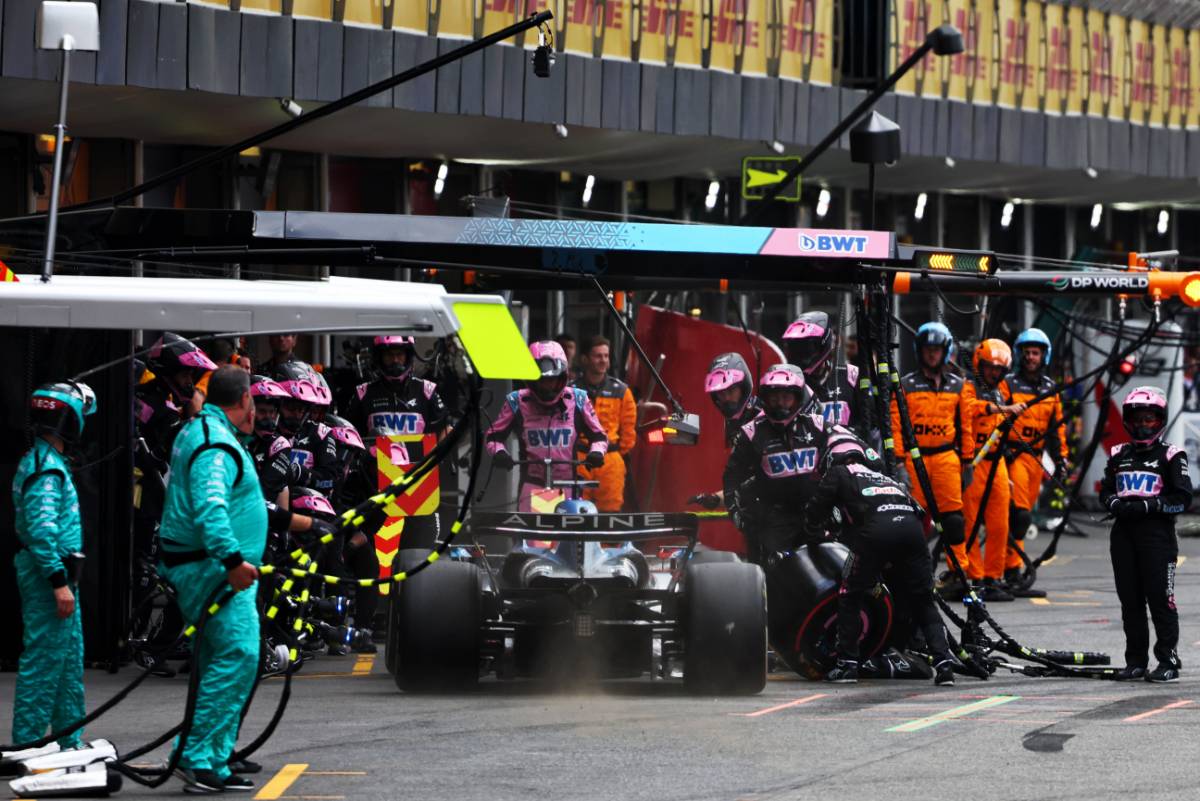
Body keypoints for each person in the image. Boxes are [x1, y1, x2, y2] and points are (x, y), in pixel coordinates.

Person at [157, 367, 267, 793]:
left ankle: (214, 754)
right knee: (238, 654)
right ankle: (199, 758)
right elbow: (210, 508)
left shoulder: (204, 433)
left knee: (220, 659)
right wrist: (234, 561)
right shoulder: (215, 445)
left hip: (212, 565)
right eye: (254, 402)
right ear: (243, 401)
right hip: (213, 569)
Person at [803, 429, 957, 686]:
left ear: (830, 458)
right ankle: (944, 666)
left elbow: (814, 512)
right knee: (923, 600)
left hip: (875, 533)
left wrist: (817, 535)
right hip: (913, 532)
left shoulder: (839, 472)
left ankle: (847, 665)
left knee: (850, 592)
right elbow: (921, 516)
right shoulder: (887, 478)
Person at [11, 381, 95, 749]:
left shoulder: (50, 463)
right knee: (45, 664)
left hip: (59, 578)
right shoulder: (45, 468)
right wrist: (59, 582)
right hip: (50, 579)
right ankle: (25, 747)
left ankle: (69, 743)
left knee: (67, 666)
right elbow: (41, 532)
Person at [1100, 386, 1192, 683]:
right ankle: (1136, 661)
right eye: (1138, 418)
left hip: (1157, 536)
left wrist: (1148, 506)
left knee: (1161, 599)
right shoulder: (1117, 454)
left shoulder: (1172, 455)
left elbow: (1183, 498)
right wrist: (1113, 502)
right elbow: (1106, 490)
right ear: (1128, 420)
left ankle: (1168, 660)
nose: (1143, 424)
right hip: (1123, 535)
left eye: (1150, 419)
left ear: (1160, 420)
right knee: (1130, 601)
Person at [889, 322, 972, 592]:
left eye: (937, 349)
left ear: (945, 351)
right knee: (914, 521)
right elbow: (896, 424)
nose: (932, 354)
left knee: (954, 521)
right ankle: (913, 573)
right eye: (928, 349)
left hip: (947, 458)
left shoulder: (960, 386)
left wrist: (968, 461)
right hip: (915, 461)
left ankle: (958, 573)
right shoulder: (905, 385)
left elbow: (965, 427)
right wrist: (899, 462)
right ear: (919, 351)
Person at [346, 336, 449, 549]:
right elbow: (348, 434)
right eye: (389, 355)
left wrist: (438, 461)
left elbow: (444, 431)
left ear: (408, 356)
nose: (395, 360)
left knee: (418, 553)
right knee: (367, 553)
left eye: (399, 354)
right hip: (373, 487)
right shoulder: (362, 393)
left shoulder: (427, 391)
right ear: (379, 358)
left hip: (418, 486)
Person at [723, 364, 827, 566]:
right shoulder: (751, 432)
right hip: (774, 521)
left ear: (798, 398)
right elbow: (732, 477)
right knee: (777, 577)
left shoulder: (818, 425)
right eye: (774, 398)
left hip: (815, 516)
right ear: (765, 399)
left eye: (786, 397)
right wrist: (735, 510)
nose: (780, 404)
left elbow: (842, 459)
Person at [486, 341, 607, 512]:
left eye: (552, 380)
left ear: (562, 376)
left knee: (568, 537)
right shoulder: (516, 401)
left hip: (568, 485)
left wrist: (596, 452)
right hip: (532, 486)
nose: (548, 386)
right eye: (542, 380)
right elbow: (493, 436)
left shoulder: (578, 399)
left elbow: (599, 436)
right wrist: (499, 453)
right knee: (530, 537)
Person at [959, 339, 1027, 601]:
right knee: (971, 523)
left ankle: (993, 577)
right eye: (990, 368)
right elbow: (969, 409)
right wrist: (1002, 408)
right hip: (971, 461)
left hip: (996, 462)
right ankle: (973, 577)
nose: (994, 373)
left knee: (1000, 522)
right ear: (979, 364)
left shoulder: (999, 391)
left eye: (999, 370)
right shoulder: (968, 386)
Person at [1003, 328, 1067, 589]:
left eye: (1035, 353)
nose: (1031, 357)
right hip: (1013, 456)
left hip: (1036, 460)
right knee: (1019, 517)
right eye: (1027, 352)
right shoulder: (1008, 384)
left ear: (1044, 356)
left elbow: (1057, 430)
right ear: (1019, 355)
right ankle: (1010, 568)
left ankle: (1011, 569)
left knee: (1023, 515)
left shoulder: (1051, 389)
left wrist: (1061, 460)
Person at [575, 336, 637, 512]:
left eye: (606, 356)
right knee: (575, 509)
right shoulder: (571, 390)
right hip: (579, 457)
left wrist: (614, 452)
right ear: (585, 359)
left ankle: (608, 541)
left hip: (610, 459)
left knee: (610, 513)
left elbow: (629, 433)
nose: (603, 360)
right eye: (598, 356)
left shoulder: (622, 391)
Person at [782, 311, 868, 436]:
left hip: (848, 450)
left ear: (824, 343)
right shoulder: (787, 385)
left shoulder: (852, 375)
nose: (801, 354)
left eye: (807, 347)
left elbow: (870, 424)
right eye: (796, 348)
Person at [274, 361, 342, 498]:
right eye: (291, 407)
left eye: (301, 409)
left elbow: (331, 480)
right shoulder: (266, 433)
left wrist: (299, 473)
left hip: (309, 509)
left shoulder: (321, 433)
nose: (296, 414)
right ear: (278, 403)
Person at [705, 352, 762, 448]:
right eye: (721, 393)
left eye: (731, 390)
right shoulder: (724, 422)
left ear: (743, 387)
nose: (726, 398)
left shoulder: (764, 415)